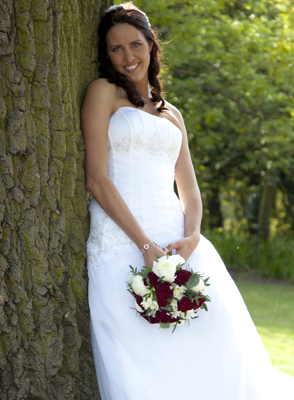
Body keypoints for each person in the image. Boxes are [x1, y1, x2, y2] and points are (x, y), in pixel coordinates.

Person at [81, 3, 294, 400]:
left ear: (151, 46)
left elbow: (190, 189)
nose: (128, 57)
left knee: (212, 344)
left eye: (135, 44)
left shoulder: (171, 113)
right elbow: (97, 179)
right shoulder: (103, 93)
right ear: (106, 55)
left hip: (178, 242)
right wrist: (145, 246)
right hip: (121, 240)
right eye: (116, 49)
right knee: (142, 351)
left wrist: (193, 236)